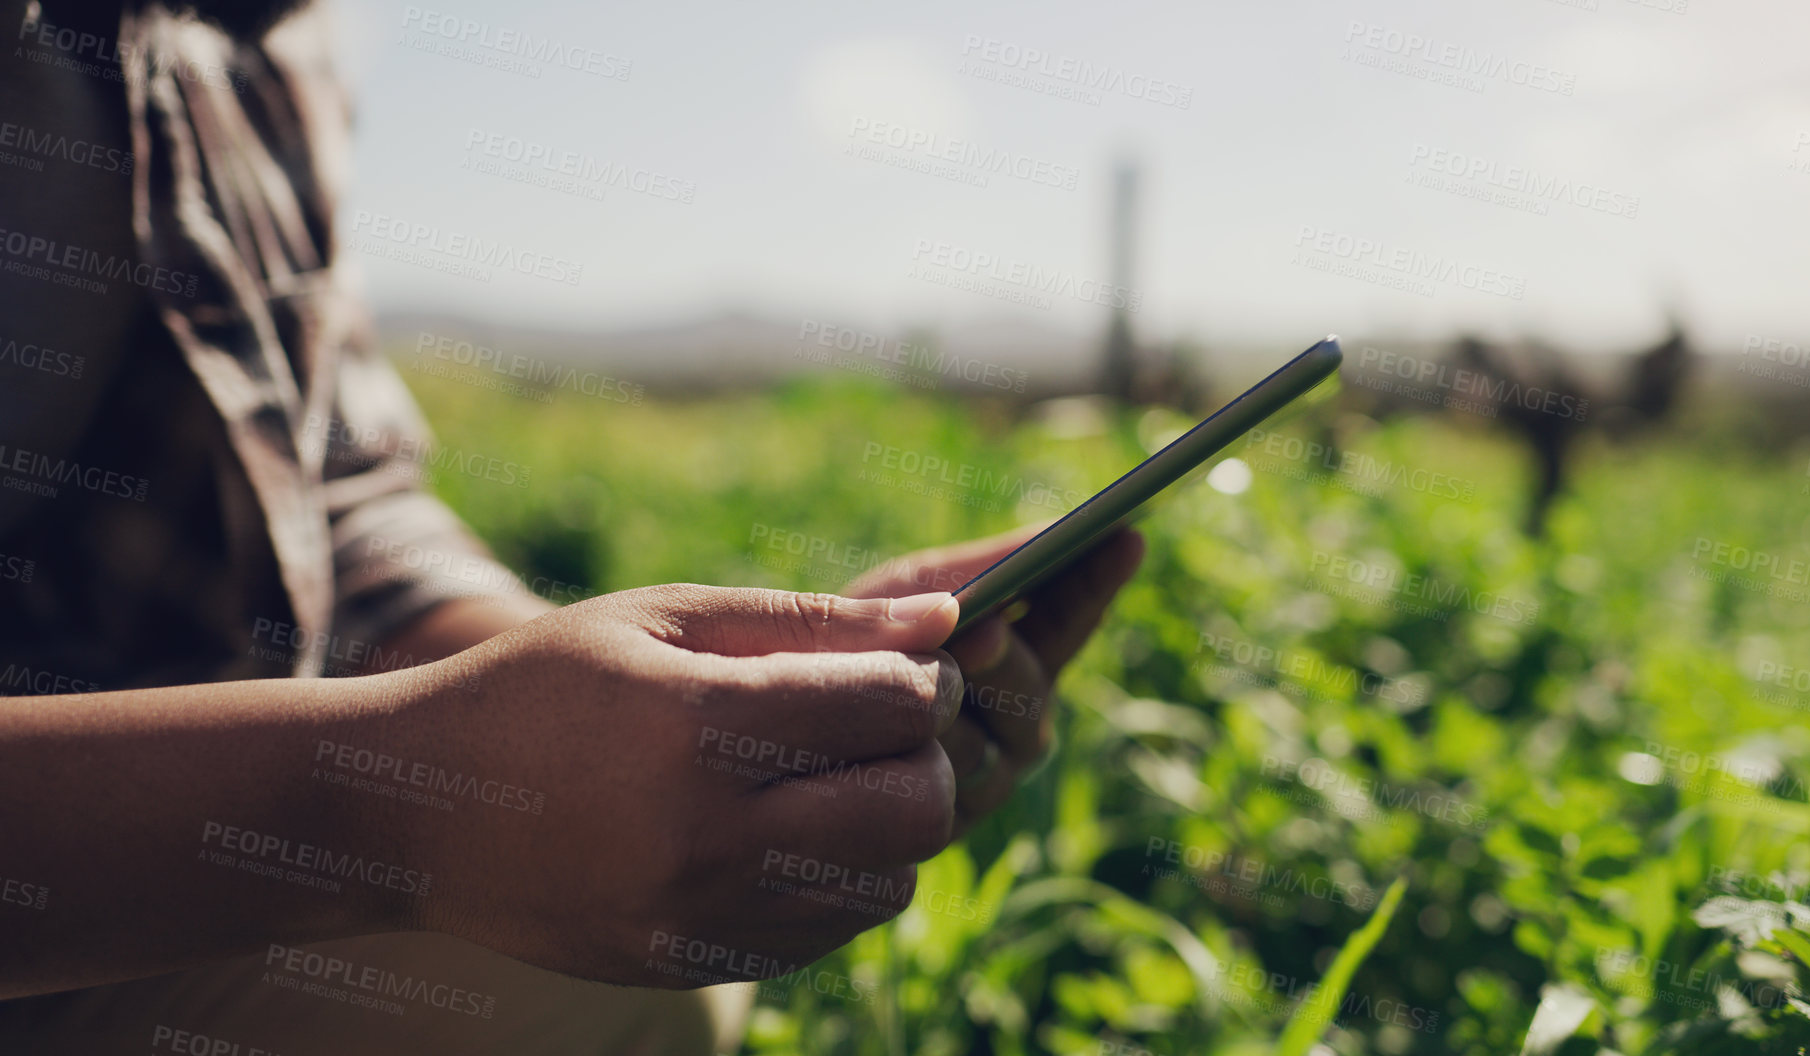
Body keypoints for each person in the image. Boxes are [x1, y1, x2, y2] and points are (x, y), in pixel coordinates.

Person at [0, 1, 1143, 1052]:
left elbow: (343, 504)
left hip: (192, 870)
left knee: (624, 996)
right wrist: (390, 805)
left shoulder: (258, 36)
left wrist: (640, 718)